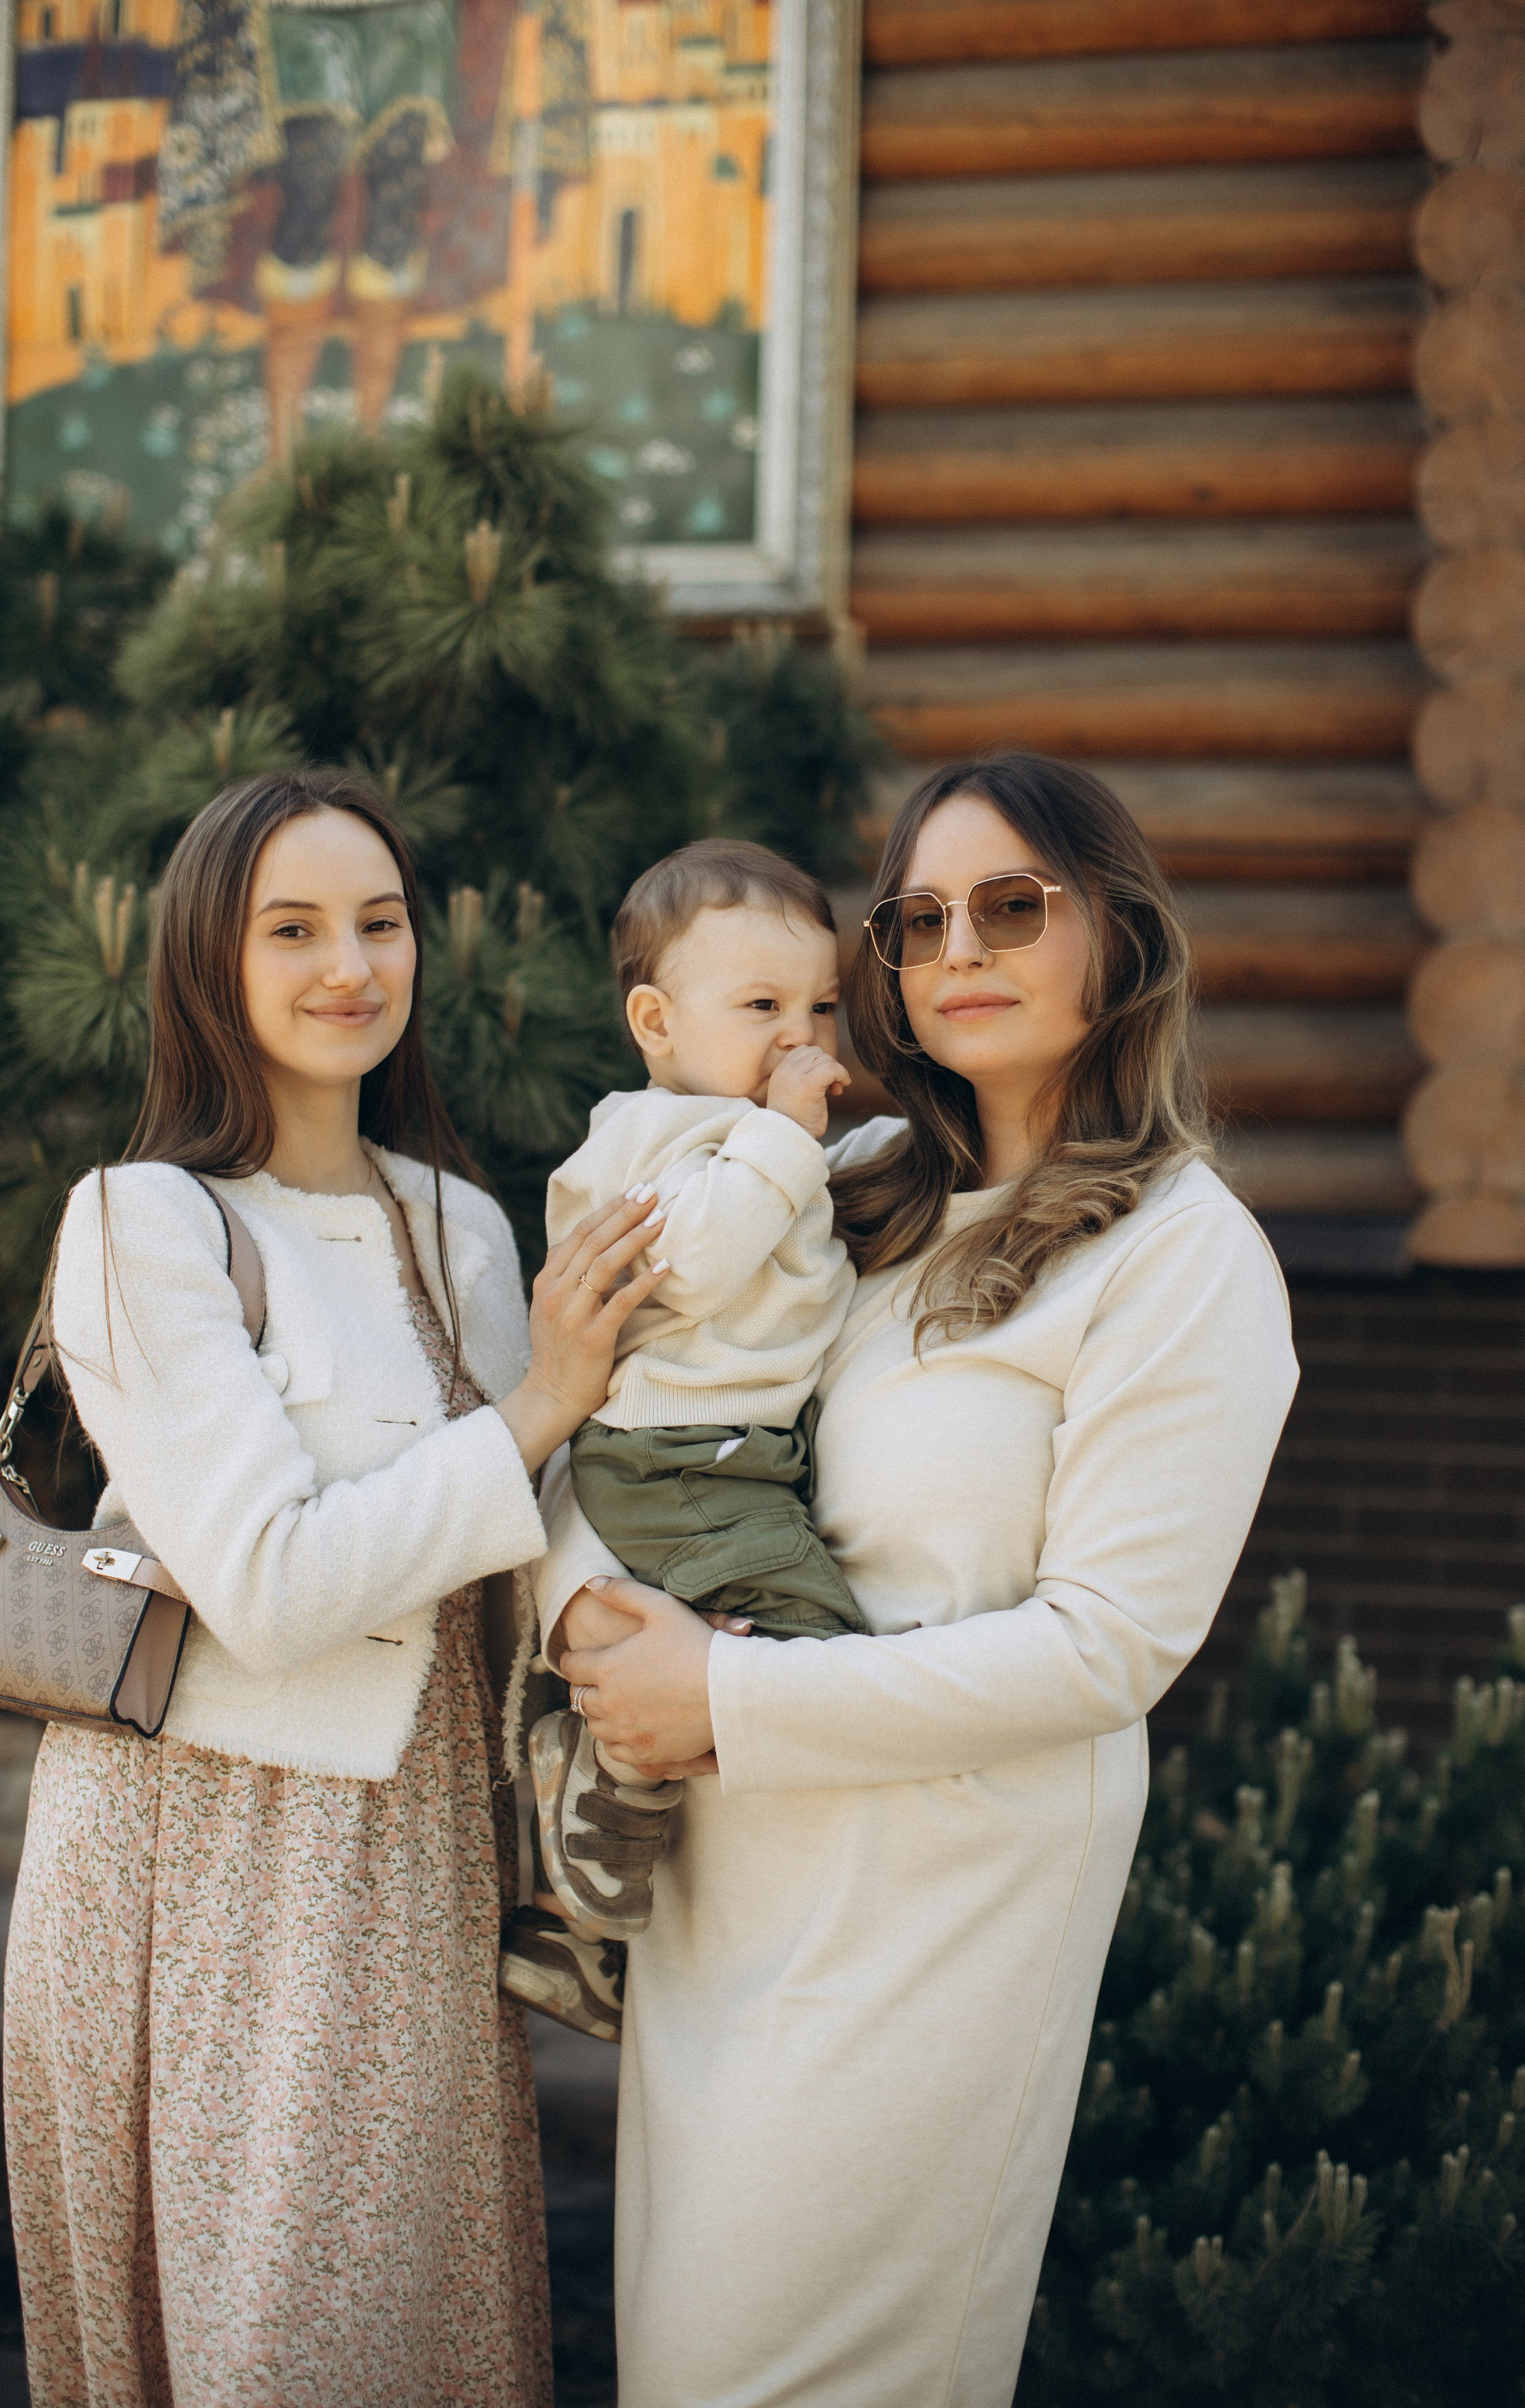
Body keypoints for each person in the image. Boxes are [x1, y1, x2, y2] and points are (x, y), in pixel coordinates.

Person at [534, 752, 1301, 2408]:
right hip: (730, 1897)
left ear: (1123, 938)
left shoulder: (1184, 1257)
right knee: (678, 2371)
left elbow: (1109, 1651)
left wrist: (724, 1690)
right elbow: (655, 1426)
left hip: (937, 1922)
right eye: (920, 916)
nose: (960, 946)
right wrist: (589, 1605)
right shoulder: (860, 1201)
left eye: (1012, 905)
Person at [3, 768, 667, 2408]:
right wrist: (538, 1411)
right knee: (266, 2342)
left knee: (414, 2325)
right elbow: (272, 1585)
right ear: (205, 964)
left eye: (380, 922)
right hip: (205, 1851)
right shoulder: (142, 1224)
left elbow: (536, 1529)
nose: (348, 965)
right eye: (290, 929)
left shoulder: (463, 1229)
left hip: (419, 1846)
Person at [530, 839, 862, 1940]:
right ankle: (609, 1782)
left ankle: (609, 1798)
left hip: (722, 1457)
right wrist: (783, 1137)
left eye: (821, 1005)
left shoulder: (740, 1136)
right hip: (674, 1458)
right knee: (810, 1644)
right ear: (656, 1024)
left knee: (734, 1634)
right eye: (762, 1002)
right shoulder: (655, 1138)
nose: (799, 1037)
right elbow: (700, 1262)